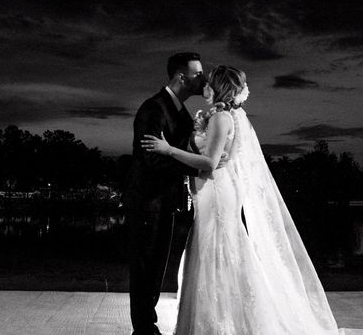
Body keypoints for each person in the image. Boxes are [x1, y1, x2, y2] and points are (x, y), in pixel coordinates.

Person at [141, 65, 341, 335]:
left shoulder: (222, 118)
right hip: (210, 192)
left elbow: (210, 163)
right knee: (210, 247)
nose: (204, 85)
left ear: (219, 87)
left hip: (217, 192)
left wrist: (169, 150)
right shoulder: (219, 116)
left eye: (209, 82)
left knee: (218, 248)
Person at [124, 52, 229, 335]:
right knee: (145, 267)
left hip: (166, 201)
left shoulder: (181, 114)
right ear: (182, 77)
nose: (203, 79)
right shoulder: (153, 109)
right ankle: (144, 330)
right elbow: (152, 159)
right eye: (198, 74)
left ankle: (148, 326)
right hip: (147, 201)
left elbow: (181, 152)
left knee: (157, 266)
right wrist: (202, 169)